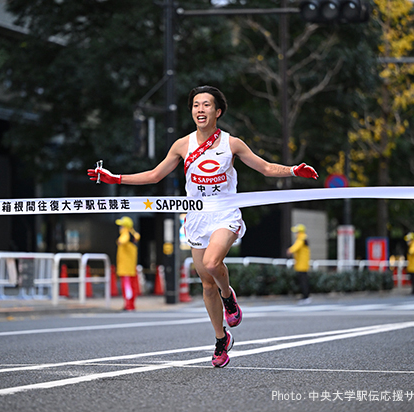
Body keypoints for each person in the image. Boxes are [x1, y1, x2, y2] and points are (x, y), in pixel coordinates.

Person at [87, 85, 318, 367]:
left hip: (225, 214)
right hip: (196, 217)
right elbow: (154, 175)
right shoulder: (182, 145)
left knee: (211, 263)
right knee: (206, 283)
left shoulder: (232, 144)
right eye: (196, 104)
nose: (200, 109)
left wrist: (294, 170)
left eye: (206, 105)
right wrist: (116, 178)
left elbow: (266, 168)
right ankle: (222, 338)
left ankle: (228, 296)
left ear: (217, 111)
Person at [115, 216, 141, 311]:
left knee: (127, 287)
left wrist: (120, 241)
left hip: (125, 267)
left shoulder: (126, 233)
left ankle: (129, 305)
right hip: (131, 267)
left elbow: (122, 240)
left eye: (121, 225)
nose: (120, 228)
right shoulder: (133, 234)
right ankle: (131, 304)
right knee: (131, 286)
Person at [287, 224, 311, 304]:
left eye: (296, 232)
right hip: (302, 264)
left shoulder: (301, 239)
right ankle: (305, 296)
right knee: (303, 281)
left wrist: (290, 250)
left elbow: (296, 246)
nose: (295, 234)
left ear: (300, 232)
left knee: (303, 281)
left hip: (301, 264)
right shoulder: (304, 238)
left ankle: (305, 297)